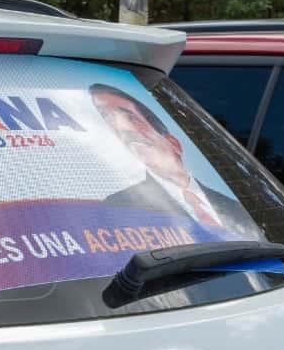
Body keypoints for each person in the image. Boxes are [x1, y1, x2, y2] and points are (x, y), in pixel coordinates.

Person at [90, 83, 259, 237]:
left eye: (132, 118)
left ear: (174, 144)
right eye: (110, 120)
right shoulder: (119, 208)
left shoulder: (238, 207)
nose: (125, 129)